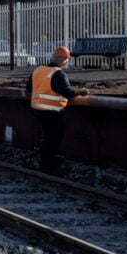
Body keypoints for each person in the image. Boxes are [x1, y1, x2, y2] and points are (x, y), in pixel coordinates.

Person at [25, 46, 89, 175]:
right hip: (51, 111)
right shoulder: (58, 74)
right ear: (65, 61)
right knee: (53, 137)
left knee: (48, 136)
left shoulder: (38, 70)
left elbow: (29, 88)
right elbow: (68, 92)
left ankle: (47, 161)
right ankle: (48, 165)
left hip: (37, 109)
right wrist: (82, 91)